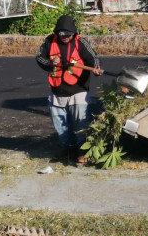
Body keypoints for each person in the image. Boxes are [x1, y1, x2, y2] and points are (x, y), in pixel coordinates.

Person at [36, 15, 102, 162]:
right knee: (60, 125)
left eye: (68, 35)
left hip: (78, 91)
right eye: (62, 35)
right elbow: (39, 58)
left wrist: (96, 68)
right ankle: (68, 148)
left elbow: (94, 58)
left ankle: (83, 151)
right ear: (57, 33)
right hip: (57, 91)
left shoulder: (81, 43)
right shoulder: (49, 41)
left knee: (80, 123)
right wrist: (51, 62)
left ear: (73, 33)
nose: (65, 37)